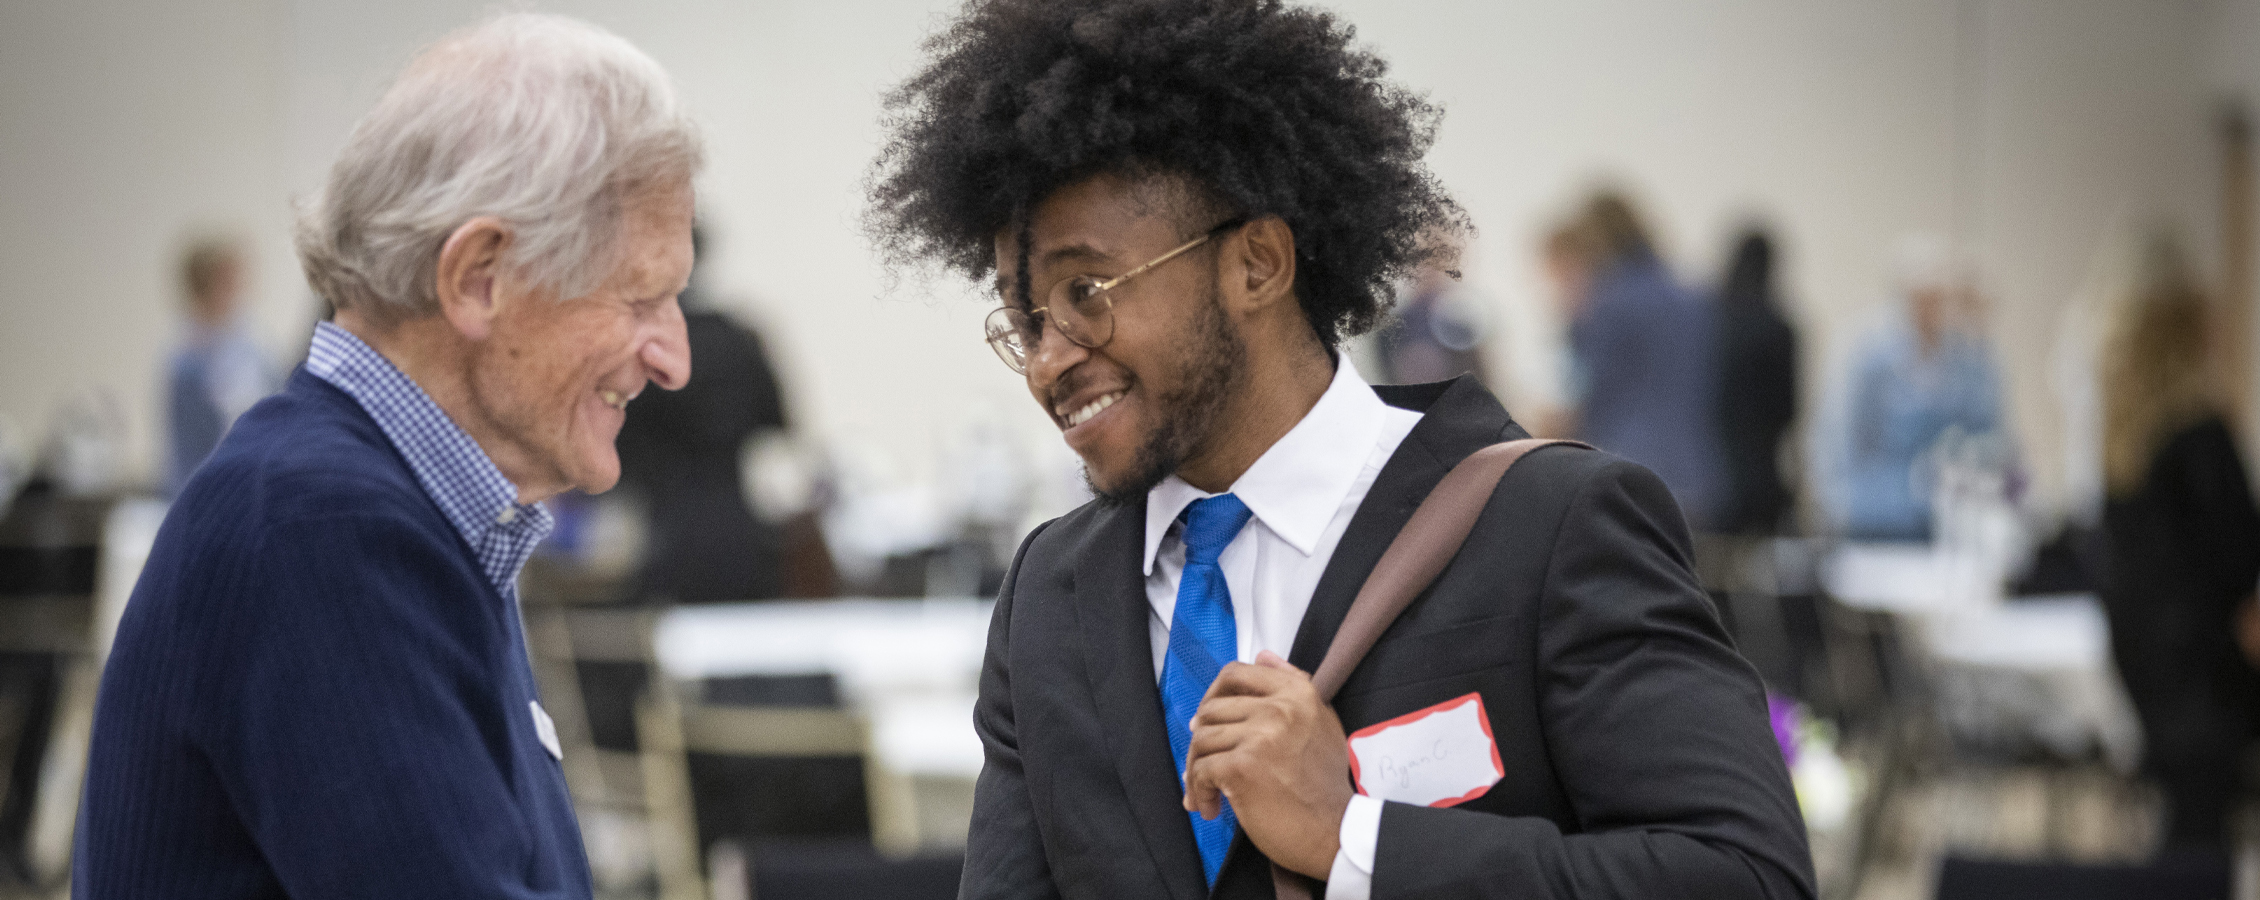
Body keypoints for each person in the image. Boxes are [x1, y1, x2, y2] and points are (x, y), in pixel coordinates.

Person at [865, 2, 1813, 898]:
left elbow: (1745, 876)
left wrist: (1354, 839)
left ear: (1257, 263)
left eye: (1088, 292)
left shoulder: (1547, 528)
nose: (1046, 364)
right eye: (1025, 317)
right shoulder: (1053, 595)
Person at [75, 14, 699, 898]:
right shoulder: (322, 531)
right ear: (478, 276)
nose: (674, 359)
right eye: (642, 297)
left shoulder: (385, 511)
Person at [2097, 235, 2260, 853]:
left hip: (2150, 679)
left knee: (2184, 839)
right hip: (2207, 684)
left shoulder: (2126, 447)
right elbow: (2239, 569)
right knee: (2201, 840)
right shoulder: (2202, 437)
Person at [615, 225, 793, 602]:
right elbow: (778, 423)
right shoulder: (740, 338)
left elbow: (623, 440)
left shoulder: (645, 346)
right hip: (739, 528)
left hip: (670, 529)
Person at [1555, 191, 1729, 529]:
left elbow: (1590, 396)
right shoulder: (1698, 298)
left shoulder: (1609, 304)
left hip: (1628, 474)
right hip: (1699, 475)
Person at [1817, 236, 2007, 540]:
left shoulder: (1964, 357)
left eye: (1941, 297)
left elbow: (1986, 437)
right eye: (1926, 297)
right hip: (1872, 521)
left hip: (1942, 524)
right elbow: (1840, 449)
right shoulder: (1867, 357)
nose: (1936, 308)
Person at [163, 236, 275, 495]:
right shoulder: (185, 363)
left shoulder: (256, 351)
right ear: (202, 289)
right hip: (205, 493)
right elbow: (186, 457)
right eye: (226, 282)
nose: (237, 291)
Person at [1712, 228, 1799, 534]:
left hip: (1714, 466)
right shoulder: (1779, 326)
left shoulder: (1713, 318)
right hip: (1761, 467)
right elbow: (1788, 409)